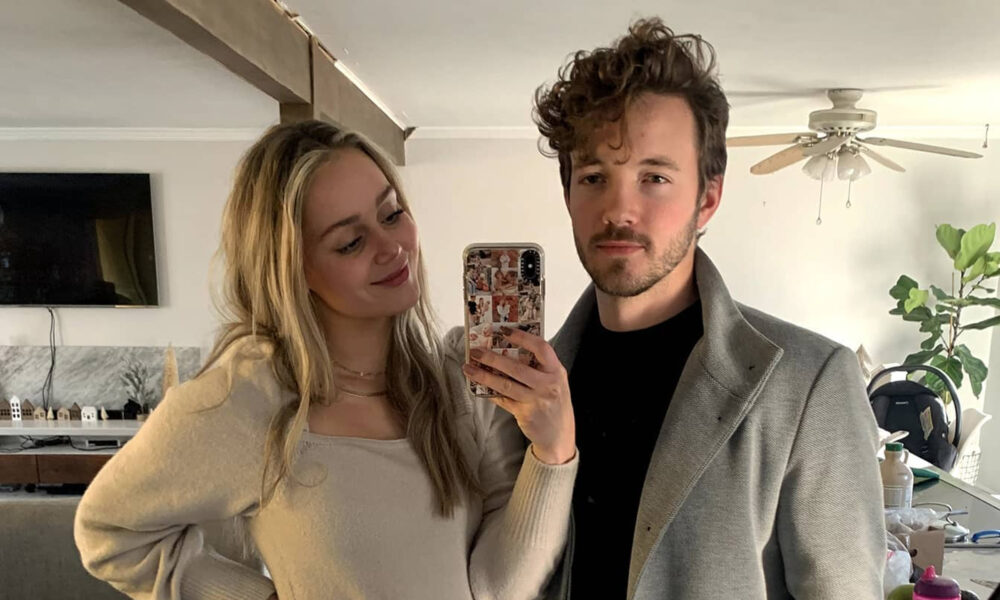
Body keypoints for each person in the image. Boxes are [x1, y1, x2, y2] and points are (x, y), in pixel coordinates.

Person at [74, 120, 577, 600]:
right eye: (351, 242)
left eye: (391, 214)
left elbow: (500, 589)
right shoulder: (249, 401)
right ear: (293, 268)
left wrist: (553, 452)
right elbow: (109, 530)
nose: (392, 247)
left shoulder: (462, 380)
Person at [531, 17, 885, 599]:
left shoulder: (810, 383)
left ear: (708, 198)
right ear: (568, 193)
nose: (619, 209)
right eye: (594, 176)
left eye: (654, 177)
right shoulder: (534, 384)